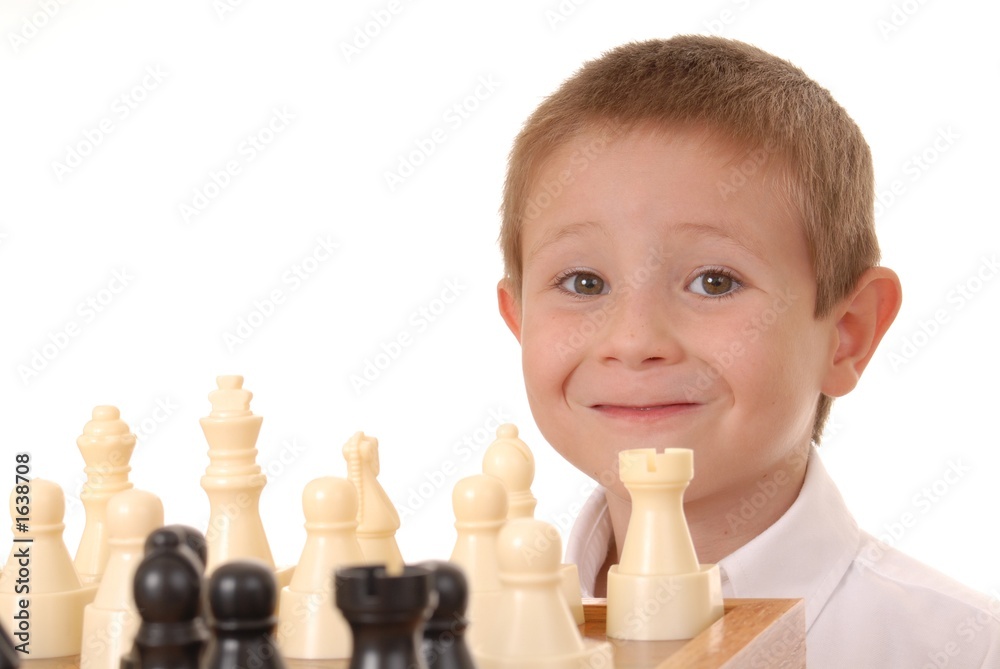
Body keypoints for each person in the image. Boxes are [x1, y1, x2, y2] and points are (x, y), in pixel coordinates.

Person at [495, 35, 999, 667]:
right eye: (583, 283)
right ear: (519, 320)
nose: (634, 340)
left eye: (715, 282)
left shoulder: (969, 649)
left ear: (847, 334)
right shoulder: (456, 637)